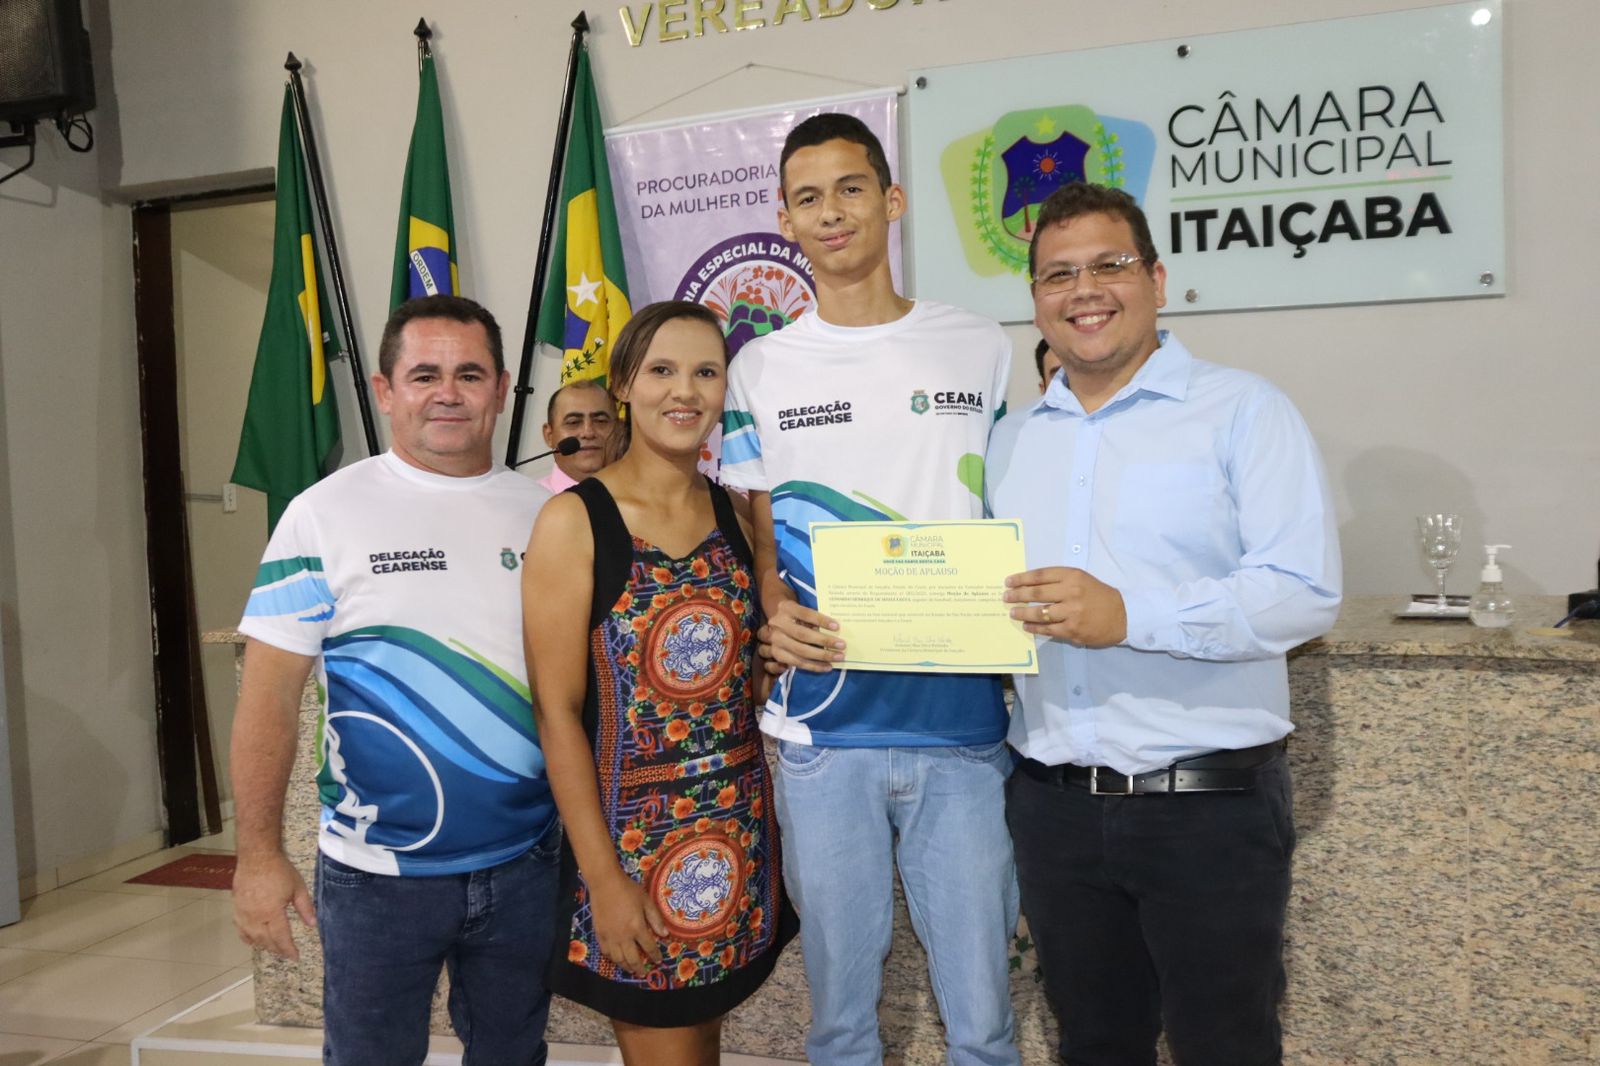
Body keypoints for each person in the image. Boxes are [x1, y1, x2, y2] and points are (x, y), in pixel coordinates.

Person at [987, 182, 1342, 1066]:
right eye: (1058, 274)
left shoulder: (1244, 410)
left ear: (1156, 279)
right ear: (1036, 299)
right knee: (1094, 1045)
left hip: (1207, 811)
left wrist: (1129, 615)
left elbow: (1303, 590)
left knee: (1225, 1046)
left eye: (1108, 265)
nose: (1084, 290)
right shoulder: (1010, 441)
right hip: (1054, 808)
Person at [720, 113, 1021, 1066]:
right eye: (807, 197)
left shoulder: (979, 346)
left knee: (984, 1024)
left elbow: (1017, 506)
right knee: (842, 1026)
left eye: (851, 188)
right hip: (824, 734)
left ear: (891, 200)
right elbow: (759, 538)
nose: (831, 212)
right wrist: (772, 616)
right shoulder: (760, 368)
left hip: (964, 729)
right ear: (785, 220)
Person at [230, 294, 562, 1066]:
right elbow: (268, 698)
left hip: (526, 863)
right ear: (385, 391)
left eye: (469, 374)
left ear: (501, 389)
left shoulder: (548, 516)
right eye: (424, 375)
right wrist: (258, 857)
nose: (448, 392)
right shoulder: (320, 516)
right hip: (376, 878)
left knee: (514, 1056)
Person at [523, 301, 797, 1066]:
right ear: (623, 384)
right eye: (662, 370)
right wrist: (604, 881)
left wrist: (773, 658)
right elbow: (556, 713)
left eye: (705, 372)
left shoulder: (737, 514)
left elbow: (739, 686)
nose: (685, 391)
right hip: (633, 851)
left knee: (703, 1041)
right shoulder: (574, 523)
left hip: (736, 838)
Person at [537, 379, 620, 494]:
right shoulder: (530, 500)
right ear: (549, 435)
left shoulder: (642, 496)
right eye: (573, 422)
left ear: (619, 429)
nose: (588, 433)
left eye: (601, 421)